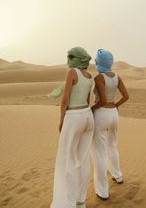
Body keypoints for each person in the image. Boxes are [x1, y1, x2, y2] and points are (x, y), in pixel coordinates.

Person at [50, 47, 94, 208]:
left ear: (77, 58)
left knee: (66, 160)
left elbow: (65, 99)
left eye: (70, 56)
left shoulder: (72, 72)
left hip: (74, 117)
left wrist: (61, 120)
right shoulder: (90, 76)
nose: (68, 59)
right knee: (82, 160)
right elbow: (88, 99)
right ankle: (80, 201)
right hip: (88, 116)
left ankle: (67, 204)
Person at [91, 49, 129, 200]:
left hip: (101, 114)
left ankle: (102, 191)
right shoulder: (117, 77)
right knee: (112, 145)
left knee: (99, 152)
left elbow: (102, 101)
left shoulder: (99, 77)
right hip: (114, 114)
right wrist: (116, 105)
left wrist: (90, 109)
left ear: (99, 62)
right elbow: (126, 96)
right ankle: (118, 176)